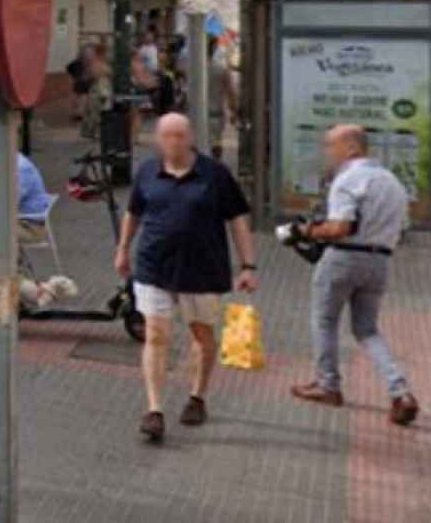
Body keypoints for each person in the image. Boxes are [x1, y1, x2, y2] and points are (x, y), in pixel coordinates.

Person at [114, 113, 257, 444]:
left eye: (180, 135)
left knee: (201, 334)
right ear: (158, 140)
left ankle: (197, 396)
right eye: (167, 136)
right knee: (156, 334)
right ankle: (154, 409)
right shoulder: (148, 172)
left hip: (202, 269)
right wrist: (123, 249)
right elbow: (133, 212)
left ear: (191, 137)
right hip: (154, 266)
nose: (174, 142)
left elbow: (237, 218)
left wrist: (248, 265)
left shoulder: (214, 175)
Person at [289, 125, 418, 426]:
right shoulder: (392, 182)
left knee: (324, 320)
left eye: (331, 145)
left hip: (344, 258)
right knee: (367, 330)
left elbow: (340, 228)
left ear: (351, 148)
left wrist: (304, 231)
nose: (327, 153)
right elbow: (401, 227)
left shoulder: (348, 179)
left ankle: (328, 385)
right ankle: (400, 391)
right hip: (380, 262)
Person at [0, 137, 56, 246]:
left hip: (30, 226)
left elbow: (9, 202)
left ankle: (13, 262)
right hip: (9, 219)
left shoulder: (21, 168)